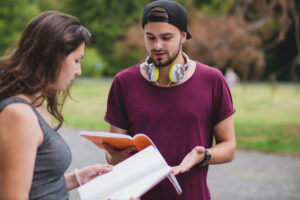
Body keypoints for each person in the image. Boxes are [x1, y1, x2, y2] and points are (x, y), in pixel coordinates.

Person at [103, 1, 236, 200]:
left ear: (183, 35)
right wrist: (116, 157)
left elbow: (229, 147)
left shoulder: (212, 80)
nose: (157, 46)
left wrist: (204, 156)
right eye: (150, 37)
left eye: (166, 37)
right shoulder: (123, 82)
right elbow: (112, 155)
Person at [0, 11, 113, 200]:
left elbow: (38, 184)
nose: (79, 71)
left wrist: (77, 178)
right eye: (76, 61)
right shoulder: (19, 115)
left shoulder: (36, 105)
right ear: (53, 57)